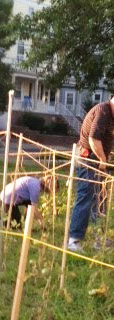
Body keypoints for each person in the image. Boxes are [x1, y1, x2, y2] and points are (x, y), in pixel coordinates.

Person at [68, 97, 114, 252]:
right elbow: (93, 138)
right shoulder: (103, 111)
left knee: (100, 200)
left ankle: (98, 240)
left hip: (97, 162)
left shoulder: (111, 116)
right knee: (85, 197)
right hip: (87, 160)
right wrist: (102, 158)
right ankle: (73, 240)